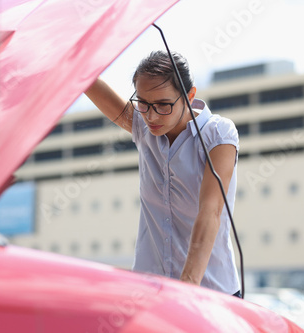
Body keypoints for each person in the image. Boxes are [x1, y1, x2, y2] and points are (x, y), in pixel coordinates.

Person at [85, 51, 241, 297]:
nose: (151, 115)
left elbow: (210, 212)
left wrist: (187, 287)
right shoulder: (144, 129)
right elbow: (87, 80)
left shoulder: (218, 134)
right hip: (150, 292)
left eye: (163, 105)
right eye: (143, 104)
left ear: (189, 96)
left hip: (211, 293)